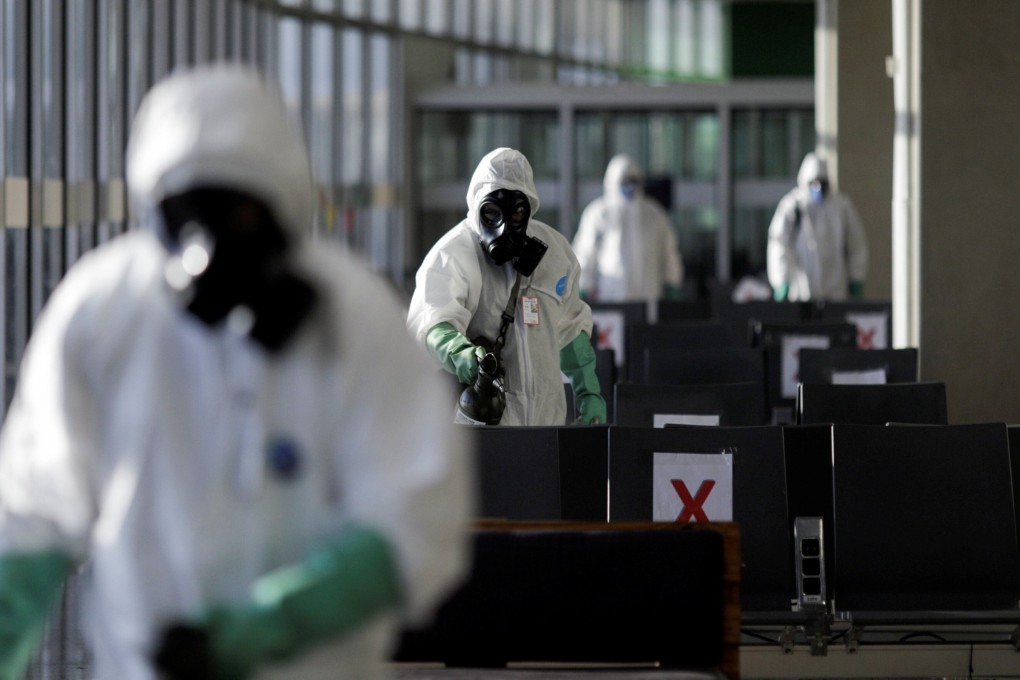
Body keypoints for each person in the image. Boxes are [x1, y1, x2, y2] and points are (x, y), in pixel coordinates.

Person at [0, 64, 474, 680]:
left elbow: (419, 518)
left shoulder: (355, 320)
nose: (212, 248)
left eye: (240, 215)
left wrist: (272, 624)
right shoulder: (101, 315)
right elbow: (33, 510)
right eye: (188, 213)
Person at [407, 147, 606, 427]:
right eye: (491, 212)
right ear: (477, 204)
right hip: (487, 428)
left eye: (515, 214)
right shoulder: (453, 254)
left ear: (529, 209)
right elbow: (429, 324)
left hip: (548, 425)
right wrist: (461, 354)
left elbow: (570, 328)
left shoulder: (555, 253)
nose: (503, 224)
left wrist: (589, 392)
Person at [571, 153, 684, 303]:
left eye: (634, 181)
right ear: (613, 181)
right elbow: (584, 252)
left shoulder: (654, 214)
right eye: (625, 181)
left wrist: (672, 281)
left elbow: (669, 251)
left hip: (649, 297)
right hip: (610, 297)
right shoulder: (598, 213)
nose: (630, 186)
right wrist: (582, 285)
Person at [766, 151, 868, 301]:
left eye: (823, 183)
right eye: (814, 183)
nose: (819, 188)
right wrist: (781, 281)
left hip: (835, 291)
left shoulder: (841, 207)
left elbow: (856, 244)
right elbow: (778, 244)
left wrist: (857, 277)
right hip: (801, 291)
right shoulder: (793, 206)